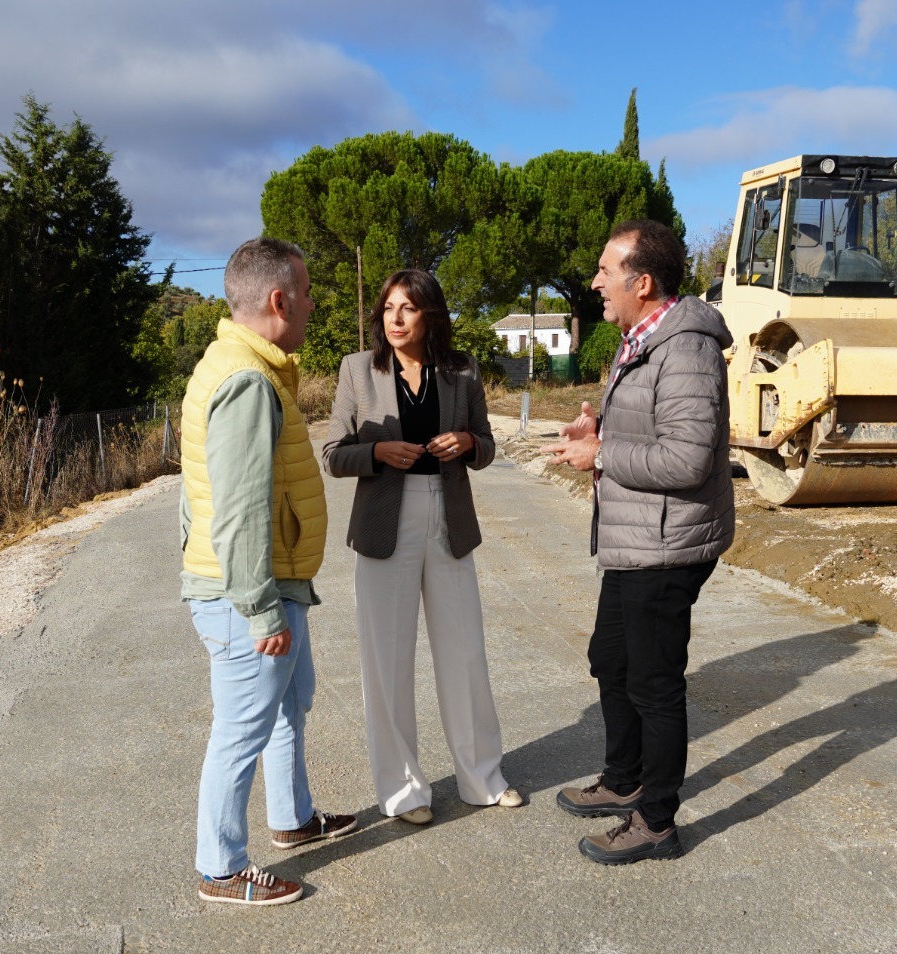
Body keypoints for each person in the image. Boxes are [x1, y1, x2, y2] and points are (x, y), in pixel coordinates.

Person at [540, 220, 734, 865]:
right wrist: (598, 423)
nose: (595, 281)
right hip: (634, 536)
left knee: (653, 682)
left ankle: (656, 820)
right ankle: (623, 779)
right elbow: (650, 423)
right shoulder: (643, 338)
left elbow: (686, 459)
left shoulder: (686, 347)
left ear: (642, 282)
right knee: (610, 660)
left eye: (605, 270)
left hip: (667, 541)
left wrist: (601, 452)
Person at [180, 237, 357, 906]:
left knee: (289, 704)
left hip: (273, 584)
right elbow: (238, 508)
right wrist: (256, 608)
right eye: (308, 292)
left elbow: (193, 492)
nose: (313, 304)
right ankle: (220, 868)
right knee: (241, 729)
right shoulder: (246, 381)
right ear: (280, 299)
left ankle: (292, 818)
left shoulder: (238, 365)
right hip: (249, 593)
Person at [323, 269, 523, 824]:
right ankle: (404, 791)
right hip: (385, 521)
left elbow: (486, 446)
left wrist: (467, 443)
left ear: (429, 313)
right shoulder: (357, 370)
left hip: (448, 515)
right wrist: (378, 451)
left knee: (465, 652)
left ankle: (482, 778)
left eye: (408, 308)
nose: (395, 318)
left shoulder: (461, 370)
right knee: (386, 663)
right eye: (388, 308)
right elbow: (333, 454)